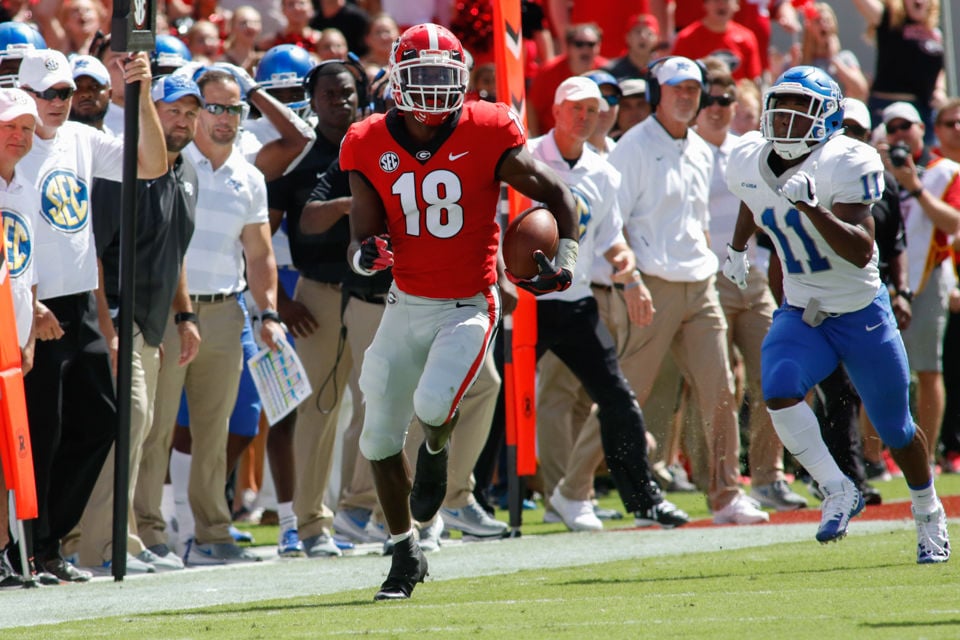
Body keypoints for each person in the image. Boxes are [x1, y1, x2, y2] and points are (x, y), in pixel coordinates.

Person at [341, 23, 579, 600]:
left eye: (443, 78)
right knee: (375, 437)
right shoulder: (366, 140)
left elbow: (558, 196)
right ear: (397, 79)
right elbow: (361, 241)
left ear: (464, 82)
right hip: (403, 302)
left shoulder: (489, 127)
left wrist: (563, 255)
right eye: (419, 77)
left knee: (431, 403)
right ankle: (404, 554)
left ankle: (438, 453)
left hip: (468, 302)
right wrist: (368, 257)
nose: (432, 91)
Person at [724, 65, 950, 562]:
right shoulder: (746, 155)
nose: (785, 118)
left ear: (826, 117)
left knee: (895, 429)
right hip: (804, 306)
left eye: (799, 109)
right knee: (779, 387)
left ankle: (927, 508)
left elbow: (862, 250)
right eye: (780, 106)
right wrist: (738, 247)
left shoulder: (846, 161)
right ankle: (837, 488)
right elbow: (752, 195)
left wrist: (813, 209)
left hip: (859, 311)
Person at [9, 48, 168, 582]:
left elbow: (151, 163)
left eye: (65, 93)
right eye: (47, 94)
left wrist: (139, 93)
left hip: (78, 302)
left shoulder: (81, 137)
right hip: (32, 305)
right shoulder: (12, 143)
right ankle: (28, 547)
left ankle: (48, 543)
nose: (58, 103)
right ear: (24, 96)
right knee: (41, 432)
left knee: (103, 421)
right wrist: (29, 304)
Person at [608, 56, 768, 525]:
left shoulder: (699, 148)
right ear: (658, 92)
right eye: (677, 88)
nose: (687, 96)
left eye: (693, 89)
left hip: (699, 283)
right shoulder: (632, 147)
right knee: (627, 394)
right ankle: (574, 487)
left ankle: (725, 494)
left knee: (720, 387)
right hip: (651, 283)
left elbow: (697, 225)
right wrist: (631, 282)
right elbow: (610, 226)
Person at [526, 76, 690, 533]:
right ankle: (463, 500)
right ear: (556, 109)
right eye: (576, 108)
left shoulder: (604, 171)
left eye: (592, 110)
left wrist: (629, 273)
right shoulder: (525, 157)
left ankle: (643, 499)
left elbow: (611, 240)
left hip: (575, 301)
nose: (584, 117)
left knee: (617, 396)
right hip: (525, 301)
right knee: (494, 396)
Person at [143, 68, 285, 566]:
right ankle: (149, 534)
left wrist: (267, 312)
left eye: (235, 109)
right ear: (198, 110)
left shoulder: (249, 176)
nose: (225, 117)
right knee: (155, 428)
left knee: (214, 430)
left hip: (227, 312)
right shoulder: (168, 161)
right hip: (168, 312)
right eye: (216, 106)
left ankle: (211, 533)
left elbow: (261, 253)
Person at [64, 73, 203, 573]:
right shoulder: (120, 171)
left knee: (139, 429)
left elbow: (175, 252)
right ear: (148, 112)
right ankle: (104, 545)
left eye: (191, 112)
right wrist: (110, 329)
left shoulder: (185, 171)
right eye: (173, 110)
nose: (183, 120)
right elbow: (93, 255)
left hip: (150, 321)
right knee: (125, 426)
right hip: (116, 317)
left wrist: (182, 316)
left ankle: (121, 540)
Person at [695, 60, 806, 511]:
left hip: (751, 273)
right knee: (718, 384)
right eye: (710, 99)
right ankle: (711, 477)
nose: (719, 108)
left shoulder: (747, 149)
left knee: (775, 371)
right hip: (707, 278)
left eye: (726, 100)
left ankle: (767, 476)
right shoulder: (685, 149)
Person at [878, 101, 960, 468]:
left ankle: (924, 455)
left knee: (927, 368)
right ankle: (874, 457)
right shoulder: (873, 170)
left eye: (905, 126)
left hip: (927, 276)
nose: (899, 134)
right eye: (892, 128)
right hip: (882, 277)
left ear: (921, 129)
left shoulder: (942, 172)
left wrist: (913, 186)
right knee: (878, 366)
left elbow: (953, 223)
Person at [0, 87, 42, 588]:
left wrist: (28, 337)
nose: (19, 136)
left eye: (27, 128)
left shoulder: (24, 186)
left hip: (14, 344)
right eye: (9, 126)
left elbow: (28, 270)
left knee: (10, 453)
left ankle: (6, 550)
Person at [851, 0, 946, 145]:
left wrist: (940, 89)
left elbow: (938, 67)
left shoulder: (934, 32)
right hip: (886, 106)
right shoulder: (888, 19)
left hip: (922, 110)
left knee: (926, 158)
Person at [527, 23, 607, 137]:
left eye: (591, 44)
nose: (585, 49)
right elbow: (532, 108)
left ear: (599, 46)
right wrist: (535, 139)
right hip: (553, 141)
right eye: (579, 44)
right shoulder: (548, 71)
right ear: (568, 47)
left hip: (594, 141)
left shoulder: (606, 71)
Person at [671, 0, 762, 84]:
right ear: (705, 4)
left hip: (736, 98)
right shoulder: (687, 38)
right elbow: (679, 77)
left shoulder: (746, 38)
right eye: (716, 0)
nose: (721, 5)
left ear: (737, 5)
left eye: (726, 1)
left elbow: (753, 80)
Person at [603, 13, 660, 81]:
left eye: (649, 33)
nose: (643, 37)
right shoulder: (610, 71)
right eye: (638, 32)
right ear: (627, 37)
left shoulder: (662, 70)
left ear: (657, 39)